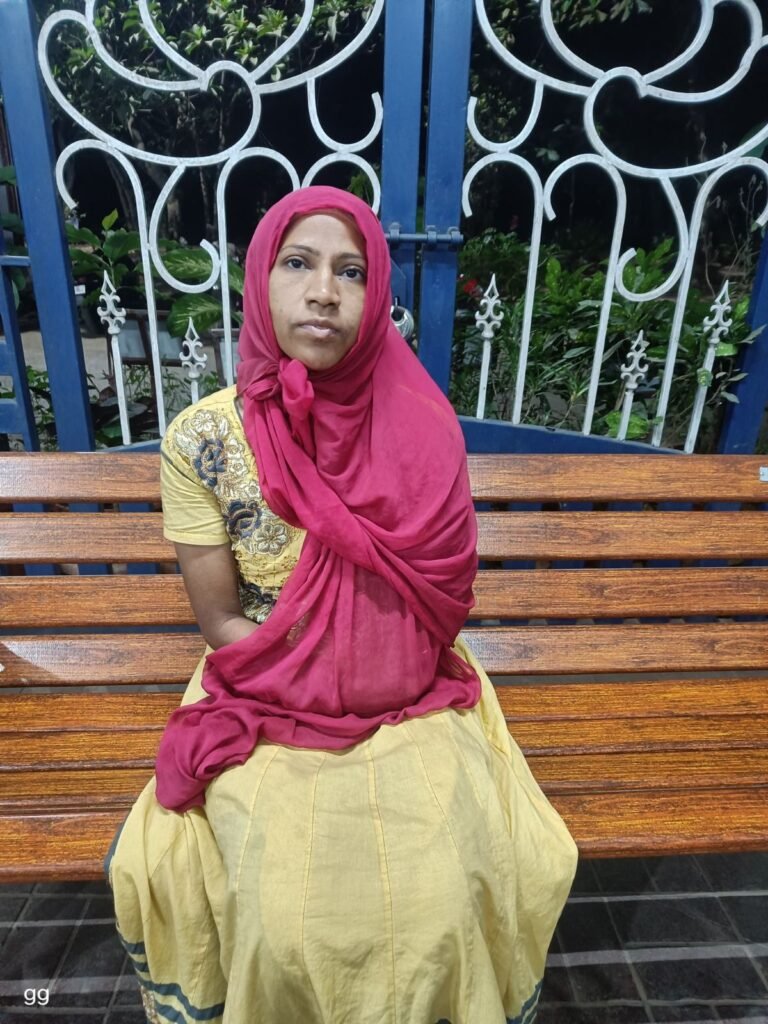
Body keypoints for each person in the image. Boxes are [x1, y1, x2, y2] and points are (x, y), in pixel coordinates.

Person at [107, 186, 577, 1024]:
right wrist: (325, 680)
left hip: (410, 681)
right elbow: (221, 623)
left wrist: (371, 675)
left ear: (375, 295)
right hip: (262, 679)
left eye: (350, 272)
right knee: (283, 914)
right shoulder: (202, 440)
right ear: (261, 281)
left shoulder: (420, 424)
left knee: (443, 895)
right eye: (298, 263)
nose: (323, 291)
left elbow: (437, 597)